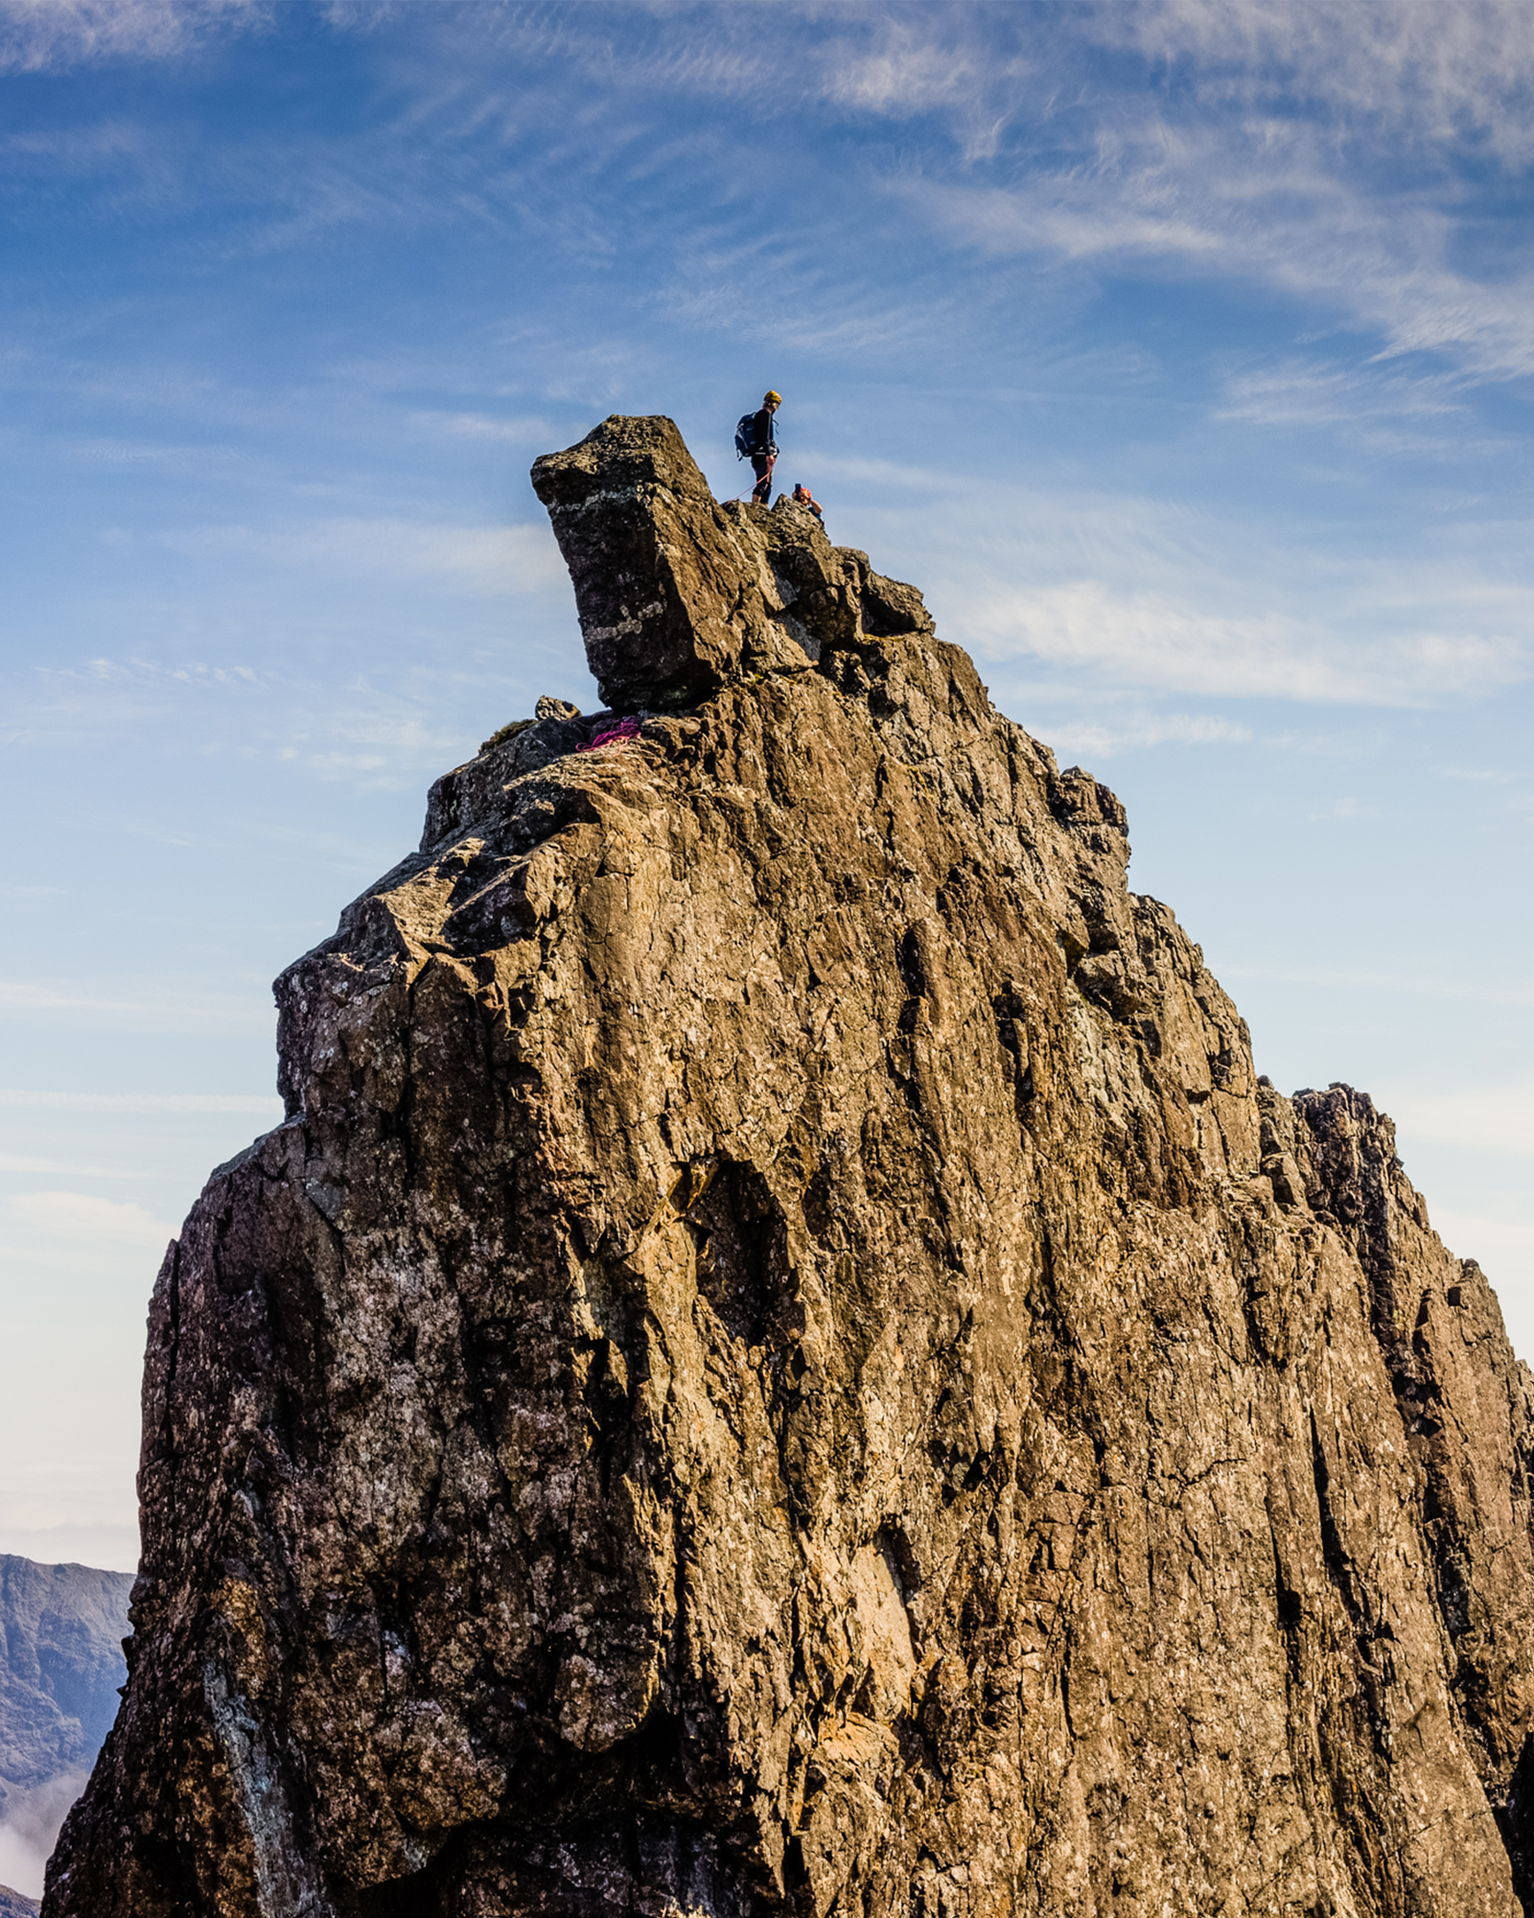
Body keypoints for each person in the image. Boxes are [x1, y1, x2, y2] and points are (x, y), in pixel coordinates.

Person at [742, 389, 780, 504]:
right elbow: (765, 436)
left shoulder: (760, 415)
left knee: (767, 484)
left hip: (758, 454)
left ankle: (763, 509)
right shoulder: (765, 415)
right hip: (762, 454)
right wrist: (769, 453)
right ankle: (755, 507)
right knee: (763, 482)